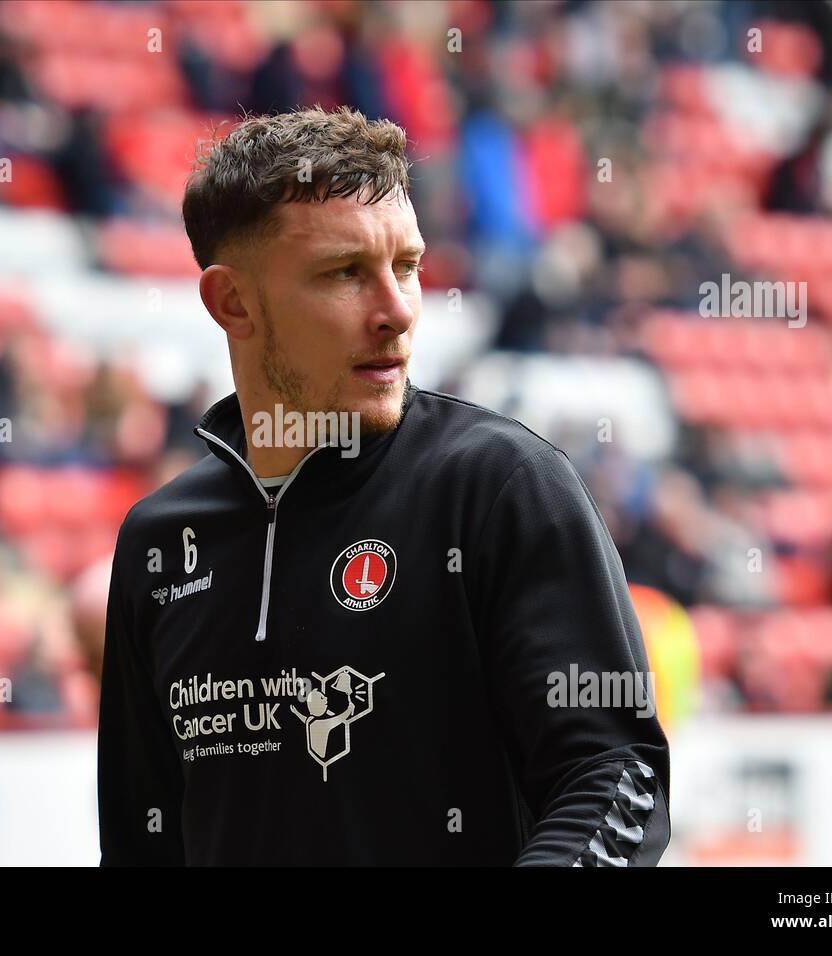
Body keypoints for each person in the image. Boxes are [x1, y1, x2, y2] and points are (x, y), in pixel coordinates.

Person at [97, 106, 670, 866]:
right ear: (232, 303)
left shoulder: (500, 488)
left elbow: (613, 776)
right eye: (344, 273)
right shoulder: (159, 544)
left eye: (405, 266)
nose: (397, 312)